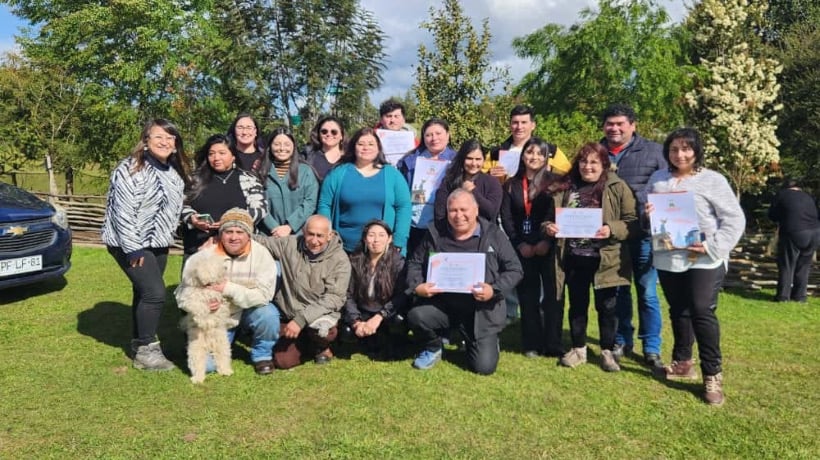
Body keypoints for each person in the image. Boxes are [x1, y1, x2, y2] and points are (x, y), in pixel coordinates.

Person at [646, 127, 745, 406]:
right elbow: (649, 220)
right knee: (679, 310)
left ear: (696, 151)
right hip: (669, 257)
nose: (680, 154)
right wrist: (647, 216)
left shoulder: (712, 180)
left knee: (702, 310)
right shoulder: (658, 180)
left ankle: (712, 374)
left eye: (686, 148)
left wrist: (713, 245)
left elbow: (735, 219)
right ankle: (682, 362)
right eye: (674, 149)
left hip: (705, 257)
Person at [101, 118, 189, 371]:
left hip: (159, 242)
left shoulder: (172, 172)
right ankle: (146, 349)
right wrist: (133, 248)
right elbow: (122, 212)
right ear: (146, 141)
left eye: (170, 138)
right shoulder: (130, 168)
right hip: (130, 243)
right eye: (158, 136)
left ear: (175, 144)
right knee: (155, 292)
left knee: (143, 293)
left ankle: (139, 343)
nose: (164, 142)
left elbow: (173, 208)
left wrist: (190, 219)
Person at [543, 142, 638, 373]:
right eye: (584, 161)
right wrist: (548, 227)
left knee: (607, 307)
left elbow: (632, 222)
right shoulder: (565, 187)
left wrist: (611, 229)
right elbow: (547, 219)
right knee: (577, 305)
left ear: (604, 164)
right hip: (574, 257)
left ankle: (607, 351)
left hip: (606, 259)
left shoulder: (617, 186)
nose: (588, 166)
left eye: (594, 162)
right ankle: (579, 349)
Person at [406, 189, 523, 375]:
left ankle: (480, 340)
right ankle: (434, 347)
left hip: (481, 312)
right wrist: (418, 286)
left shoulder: (493, 234)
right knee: (416, 316)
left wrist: (494, 289)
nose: (458, 215)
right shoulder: (435, 232)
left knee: (483, 368)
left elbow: (515, 269)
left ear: (476, 210)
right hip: (443, 306)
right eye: (453, 210)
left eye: (464, 209)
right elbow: (415, 263)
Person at [601, 103, 668, 369]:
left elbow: (667, 185)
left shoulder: (653, 151)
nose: (614, 128)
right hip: (613, 235)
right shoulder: (597, 151)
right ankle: (622, 339)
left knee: (647, 291)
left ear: (633, 125)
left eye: (620, 123)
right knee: (619, 290)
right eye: (610, 123)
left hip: (644, 234)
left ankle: (651, 346)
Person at [175, 208, 281, 375]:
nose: (234, 237)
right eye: (228, 231)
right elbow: (181, 295)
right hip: (217, 319)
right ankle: (206, 343)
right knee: (208, 367)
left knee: (269, 315)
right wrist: (203, 305)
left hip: (248, 310)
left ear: (249, 235)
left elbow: (264, 296)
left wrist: (227, 289)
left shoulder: (261, 254)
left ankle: (262, 356)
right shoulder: (202, 256)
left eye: (240, 232)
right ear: (220, 233)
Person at [255, 215, 351, 368]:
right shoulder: (289, 244)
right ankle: (305, 343)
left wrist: (301, 320)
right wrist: (230, 235)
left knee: (325, 332)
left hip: (319, 315)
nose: (314, 240)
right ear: (304, 232)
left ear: (330, 235)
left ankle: (321, 346)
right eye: (310, 234)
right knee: (283, 362)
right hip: (290, 313)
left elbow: (334, 297)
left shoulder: (340, 259)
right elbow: (261, 242)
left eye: (320, 236)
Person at [500, 137, 563, 358]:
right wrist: (520, 244)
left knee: (553, 296)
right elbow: (506, 218)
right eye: (529, 152)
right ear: (522, 155)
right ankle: (531, 343)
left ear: (546, 157)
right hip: (522, 247)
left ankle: (553, 342)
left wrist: (546, 241)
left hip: (548, 247)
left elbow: (556, 214)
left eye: (539, 153)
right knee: (528, 296)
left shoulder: (556, 183)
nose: (533, 157)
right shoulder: (511, 184)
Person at [318, 127, 412, 255]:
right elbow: (325, 204)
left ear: (378, 148)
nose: (366, 147)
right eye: (361, 144)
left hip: (381, 250)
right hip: (342, 249)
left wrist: (399, 240)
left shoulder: (392, 175)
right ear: (353, 147)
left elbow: (404, 207)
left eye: (371, 144)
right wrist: (326, 234)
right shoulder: (338, 173)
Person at [181, 134, 267, 262]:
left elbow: (260, 210)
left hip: (236, 249)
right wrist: (192, 219)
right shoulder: (195, 179)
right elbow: (181, 205)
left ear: (233, 156)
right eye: (211, 154)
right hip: (198, 248)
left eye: (222, 153)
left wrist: (230, 221)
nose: (216, 158)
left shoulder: (249, 180)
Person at [341, 220, 408, 358]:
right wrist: (356, 321)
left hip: (387, 314)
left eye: (381, 235)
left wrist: (379, 316)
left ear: (389, 239)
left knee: (398, 322)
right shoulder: (354, 261)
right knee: (347, 332)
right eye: (371, 235)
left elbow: (401, 296)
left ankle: (392, 342)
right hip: (363, 311)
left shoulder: (398, 262)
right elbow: (347, 294)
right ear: (365, 239)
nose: (376, 240)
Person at [396, 117, 457, 254]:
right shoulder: (409, 161)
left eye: (438, 133)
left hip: (442, 224)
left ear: (447, 135)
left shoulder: (457, 161)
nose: (433, 138)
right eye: (429, 135)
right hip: (413, 222)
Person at [483, 104, 571, 181]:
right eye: (515, 123)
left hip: (539, 199)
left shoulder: (551, 151)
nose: (519, 127)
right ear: (510, 125)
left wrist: (549, 175)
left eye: (524, 122)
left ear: (533, 125)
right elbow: (477, 179)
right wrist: (489, 175)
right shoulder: (495, 153)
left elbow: (571, 175)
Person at [259, 127, 319, 237]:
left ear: (293, 146)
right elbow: (257, 203)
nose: (282, 148)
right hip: (269, 236)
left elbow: (310, 203)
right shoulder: (260, 172)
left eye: (287, 144)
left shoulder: (306, 171)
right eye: (277, 144)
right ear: (270, 146)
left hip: (298, 235)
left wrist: (290, 226)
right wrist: (275, 228)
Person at [768, 177, 820, 303]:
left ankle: (783, 296)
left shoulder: (781, 195)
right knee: (804, 265)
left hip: (795, 231)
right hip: (815, 233)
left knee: (787, 264)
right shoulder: (808, 196)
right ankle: (800, 297)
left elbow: (772, 215)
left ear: (785, 187)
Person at [433, 138, 503, 224]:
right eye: (469, 158)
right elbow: (440, 212)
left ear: (483, 160)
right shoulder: (450, 181)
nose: (473, 163)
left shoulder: (492, 182)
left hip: (484, 234)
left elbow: (492, 212)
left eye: (478, 159)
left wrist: (473, 191)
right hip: (452, 232)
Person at [301, 115, 346, 182]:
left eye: (334, 132)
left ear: (341, 136)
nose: (328, 134)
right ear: (319, 134)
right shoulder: (308, 155)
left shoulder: (350, 158)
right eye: (324, 131)